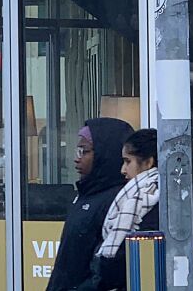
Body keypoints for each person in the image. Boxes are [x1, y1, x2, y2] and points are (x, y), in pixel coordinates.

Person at [80, 128, 193, 291]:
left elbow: (114, 267)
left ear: (149, 162)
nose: (123, 170)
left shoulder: (146, 204)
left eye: (127, 161)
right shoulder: (180, 198)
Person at [46, 117, 134, 291]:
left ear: (104, 153)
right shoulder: (85, 194)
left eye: (83, 151)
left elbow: (107, 268)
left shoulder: (118, 200)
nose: (76, 159)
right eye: (77, 150)